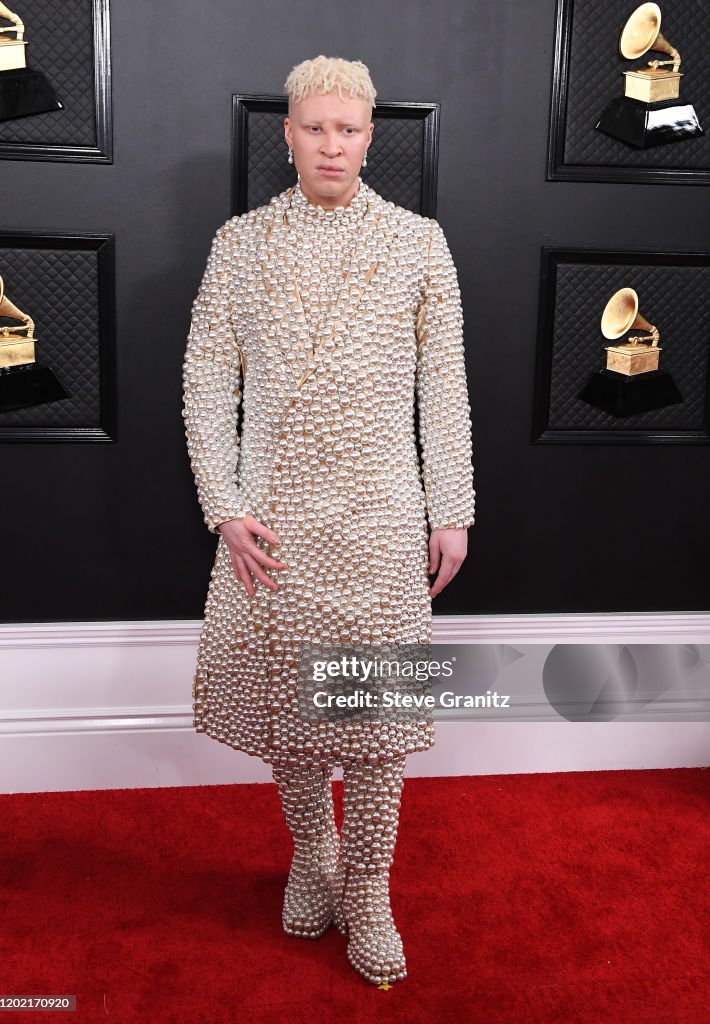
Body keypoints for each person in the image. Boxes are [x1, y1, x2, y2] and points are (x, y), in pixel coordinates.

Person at [182, 54, 476, 987]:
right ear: (289, 133)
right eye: (316, 128)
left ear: (370, 135)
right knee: (293, 716)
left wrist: (453, 508)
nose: (332, 144)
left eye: (348, 129)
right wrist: (223, 506)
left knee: (378, 722)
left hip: (383, 518)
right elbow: (202, 382)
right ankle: (314, 855)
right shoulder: (241, 242)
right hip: (276, 522)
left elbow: (444, 388)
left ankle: (370, 883)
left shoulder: (419, 242)